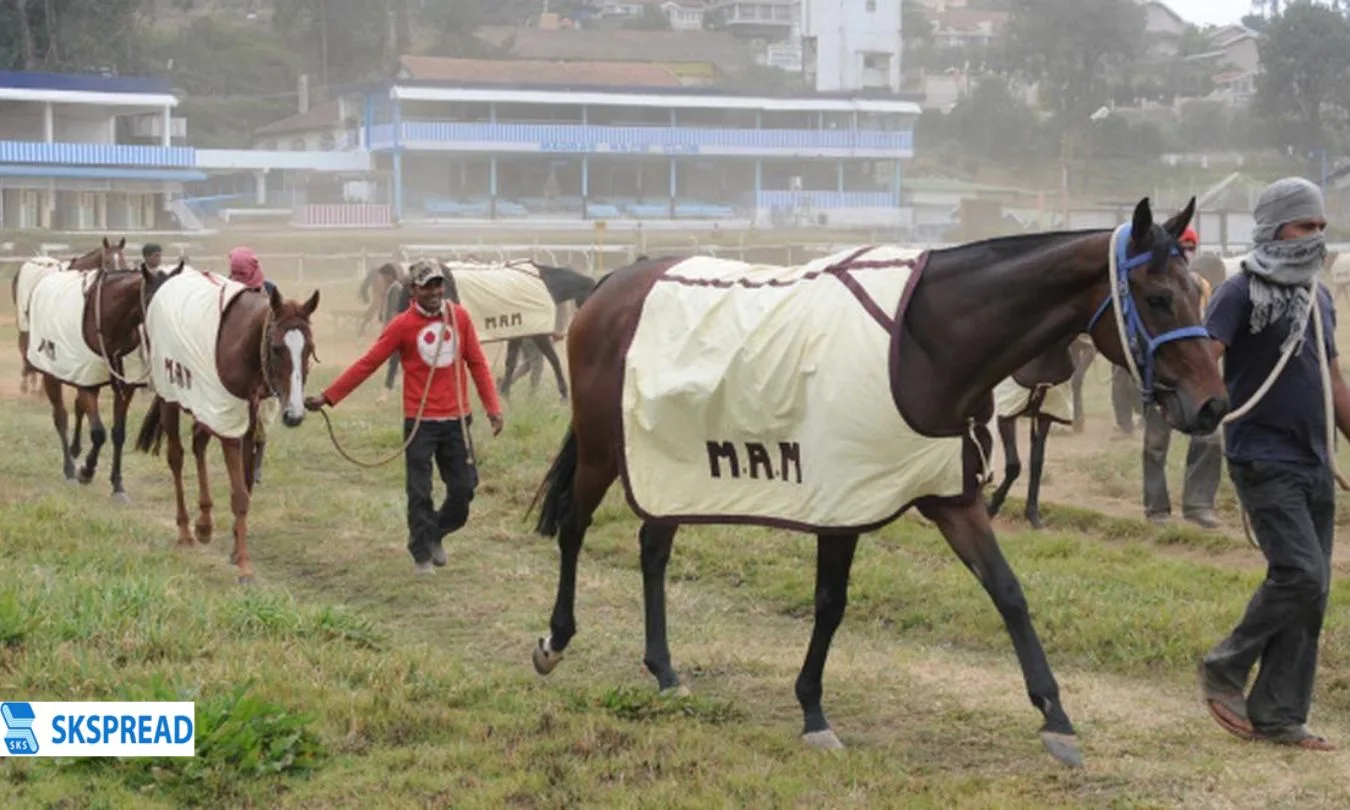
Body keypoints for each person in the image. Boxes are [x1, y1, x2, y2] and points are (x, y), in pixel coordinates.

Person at [1199, 177, 1350, 751]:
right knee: (1301, 574)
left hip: (1314, 461)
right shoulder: (1237, 293)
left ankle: (1281, 715)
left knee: (1315, 590)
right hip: (1263, 457)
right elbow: (1205, 360)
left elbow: (1332, 380)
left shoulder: (1321, 296)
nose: (1313, 238)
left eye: (1319, 227)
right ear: (1271, 228)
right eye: (1301, 226)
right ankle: (1224, 666)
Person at [304, 260, 505, 575]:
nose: (435, 291)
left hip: (456, 422)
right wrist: (329, 396)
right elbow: (368, 363)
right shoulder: (401, 325)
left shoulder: (459, 317)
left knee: (464, 490)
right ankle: (421, 553)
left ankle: (436, 532)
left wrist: (493, 407)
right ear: (414, 290)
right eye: (427, 286)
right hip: (420, 423)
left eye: (438, 284)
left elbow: (477, 363)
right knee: (419, 491)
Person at [1142, 226, 1222, 529]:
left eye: (1191, 246)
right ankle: (1156, 509)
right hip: (1163, 372)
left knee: (1210, 437)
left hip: (1196, 375)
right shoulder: (1155, 285)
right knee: (1155, 442)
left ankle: (1199, 506)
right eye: (1182, 245)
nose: (1187, 250)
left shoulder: (1202, 287)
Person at [228, 246, 279, 485]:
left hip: (264, 364)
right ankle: (240, 464)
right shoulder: (227, 290)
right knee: (238, 416)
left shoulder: (270, 290)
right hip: (236, 361)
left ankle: (257, 465)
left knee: (262, 418)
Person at [374, 263, 412, 405]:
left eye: (383, 276)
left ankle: (387, 390)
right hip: (396, 329)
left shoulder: (395, 289)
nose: (382, 280)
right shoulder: (393, 288)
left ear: (388, 276)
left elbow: (394, 311)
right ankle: (392, 387)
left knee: (394, 361)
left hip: (396, 330)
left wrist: (389, 329)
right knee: (396, 361)